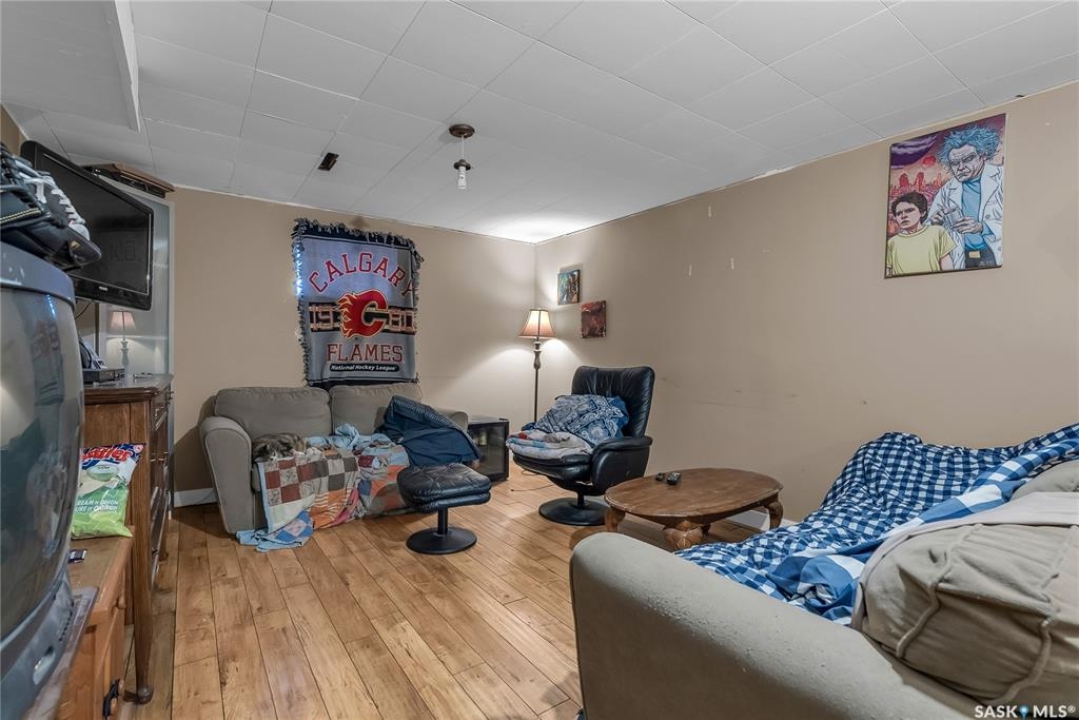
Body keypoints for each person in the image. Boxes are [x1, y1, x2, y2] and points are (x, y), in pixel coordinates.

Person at [927, 124, 1004, 269]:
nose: (961, 167)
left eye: (968, 159)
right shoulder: (947, 190)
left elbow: (1017, 221)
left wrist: (981, 227)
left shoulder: (1002, 178)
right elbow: (928, 227)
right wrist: (935, 223)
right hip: (962, 257)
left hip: (994, 254)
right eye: (955, 163)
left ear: (983, 155)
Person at [886, 192, 956, 277]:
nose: (903, 216)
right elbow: (888, 271)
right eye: (899, 213)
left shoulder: (937, 232)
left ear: (922, 212)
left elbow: (946, 265)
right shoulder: (892, 242)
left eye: (909, 211)